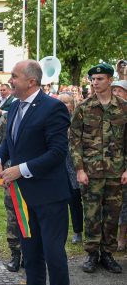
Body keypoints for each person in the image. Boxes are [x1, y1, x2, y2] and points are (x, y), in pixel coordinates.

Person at [0, 60, 71, 285]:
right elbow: (9, 141)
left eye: (14, 76)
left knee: (53, 254)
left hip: (50, 196)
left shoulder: (53, 108)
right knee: (31, 251)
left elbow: (58, 152)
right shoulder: (15, 106)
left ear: (31, 82)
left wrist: (21, 170)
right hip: (24, 197)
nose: (9, 80)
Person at [70, 63, 127, 274]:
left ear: (110, 80)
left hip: (116, 171)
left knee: (112, 214)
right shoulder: (83, 108)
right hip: (91, 172)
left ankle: (108, 254)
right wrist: (79, 169)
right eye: (93, 79)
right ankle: (92, 254)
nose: (95, 83)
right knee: (92, 214)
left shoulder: (123, 107)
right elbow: (74, 140)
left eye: (100, 79)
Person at [0, 107, 22, 272]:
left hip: (33, 174)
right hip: (9, 173)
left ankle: (30, 253)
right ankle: (15, 253)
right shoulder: (8, 115)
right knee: (13, 214)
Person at [57, 93, 84, 244]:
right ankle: (59, 231)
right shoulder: (53, 120)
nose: (63, 105)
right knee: (58, 201)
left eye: (66, 102)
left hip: (74, 167)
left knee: (75, 200)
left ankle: (78, 231)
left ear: (72, 105)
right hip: (57, 168)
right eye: (60, 102)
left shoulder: (78, 119)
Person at [111, 80, 127, 251]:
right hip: (112, 166)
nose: (116, 93)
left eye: (120, 90)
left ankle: (122, 237)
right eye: (114, 90)